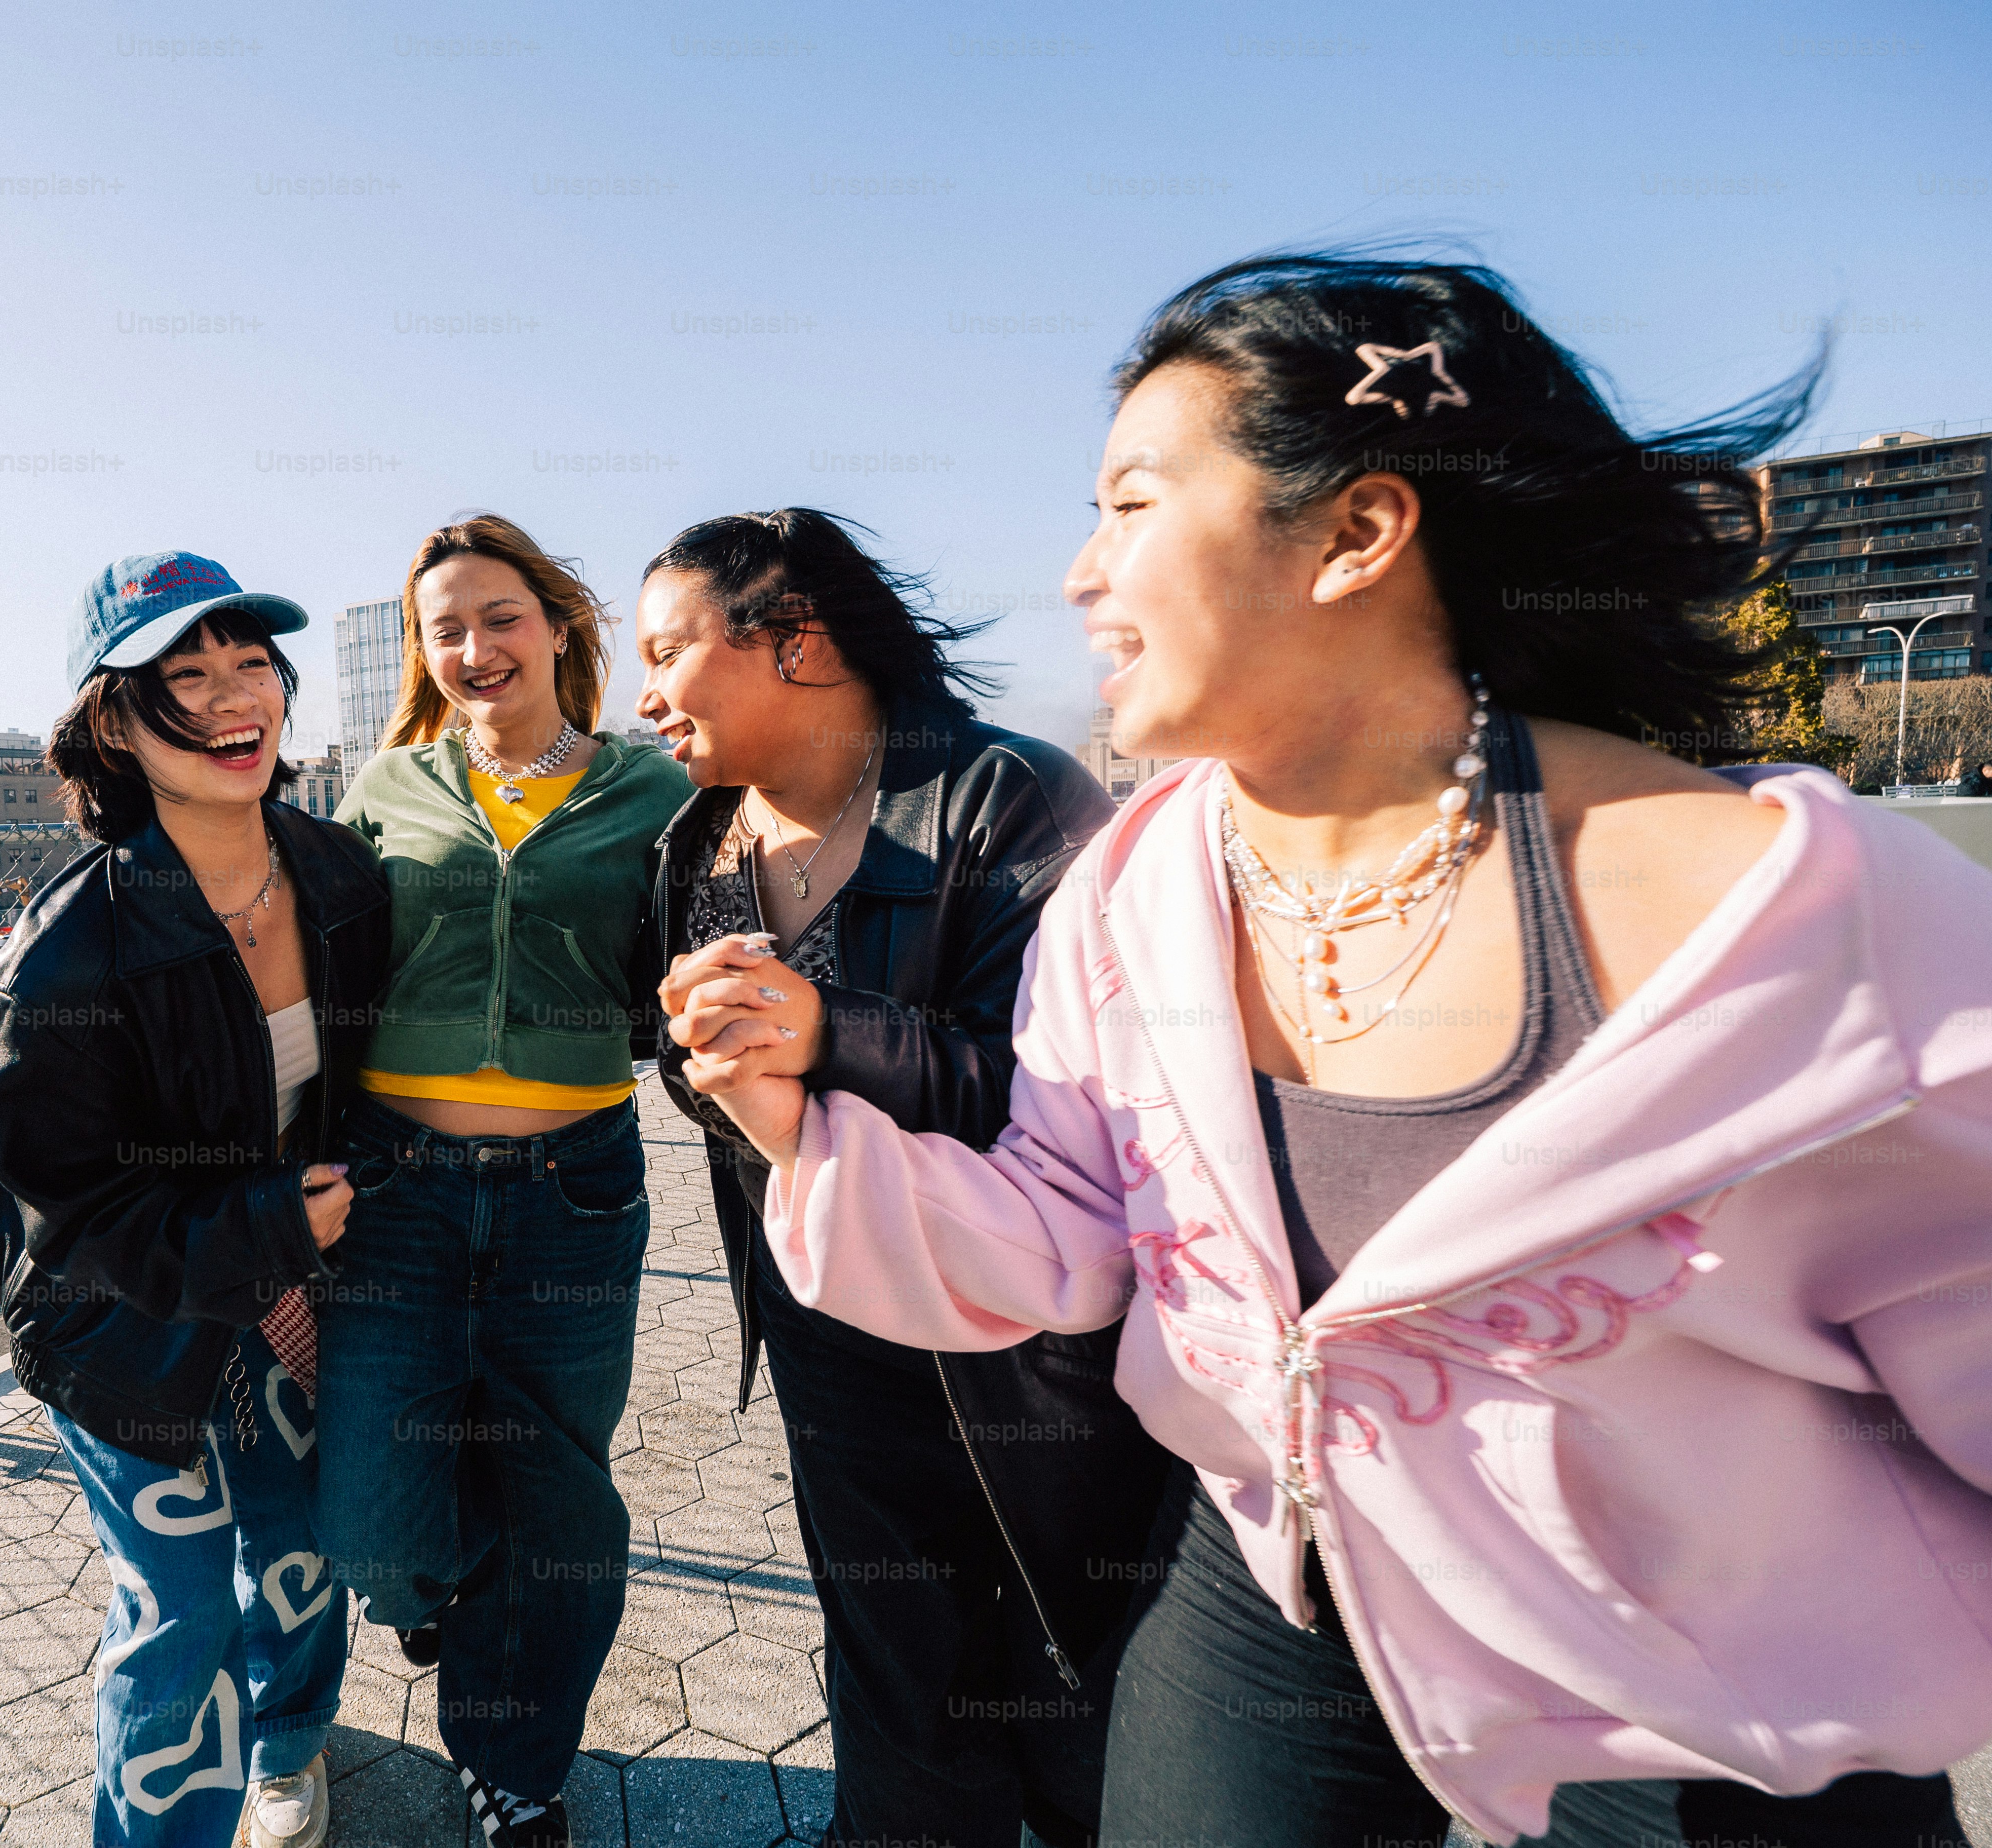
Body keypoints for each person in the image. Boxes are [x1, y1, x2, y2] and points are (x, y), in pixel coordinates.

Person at [678, 255, 1992, 1847]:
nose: (1084, 577)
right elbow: (1068, 1231)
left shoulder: (1790, 918)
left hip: (1713, 1695)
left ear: (1361, 532)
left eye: (1134, 506)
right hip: (1282, 1586)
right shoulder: (1136, 896)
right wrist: (789, 1128)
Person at [637, 508, 1171, 1848]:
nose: (641, 694)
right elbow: (688, 1076)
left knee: (1070, 1654)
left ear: (800, 641)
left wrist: (827, 1037)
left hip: (1025, 1334)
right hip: (822, 1309)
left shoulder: (1010, 799)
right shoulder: (690, 845)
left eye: (666, 650)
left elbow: (1072, 1104)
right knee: (888, 1639)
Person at [0, 552, 390, 1848]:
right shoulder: (66, 953)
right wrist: (271, 1233)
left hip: (294, 1298)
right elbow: (76, 1220)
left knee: (306, 1556)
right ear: (113, 720)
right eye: (182, 674)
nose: (229, 697)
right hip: (132, 1335)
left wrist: (324, 1235)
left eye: (248, 661)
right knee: (182, 1615)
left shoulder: (340, 875)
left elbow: (372, 1090)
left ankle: (294, 1747)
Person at [315, 514, 693, 1848]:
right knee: (371, 1516)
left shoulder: (653, 791)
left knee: (556, 1502)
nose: (474, 648)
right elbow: (322, 979)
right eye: (445, 628)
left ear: (556, 625)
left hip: (573, 1188)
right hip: (394, 1190)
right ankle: (447, 1599)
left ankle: (514, 1766)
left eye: (499, 617)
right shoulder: (386, 789)